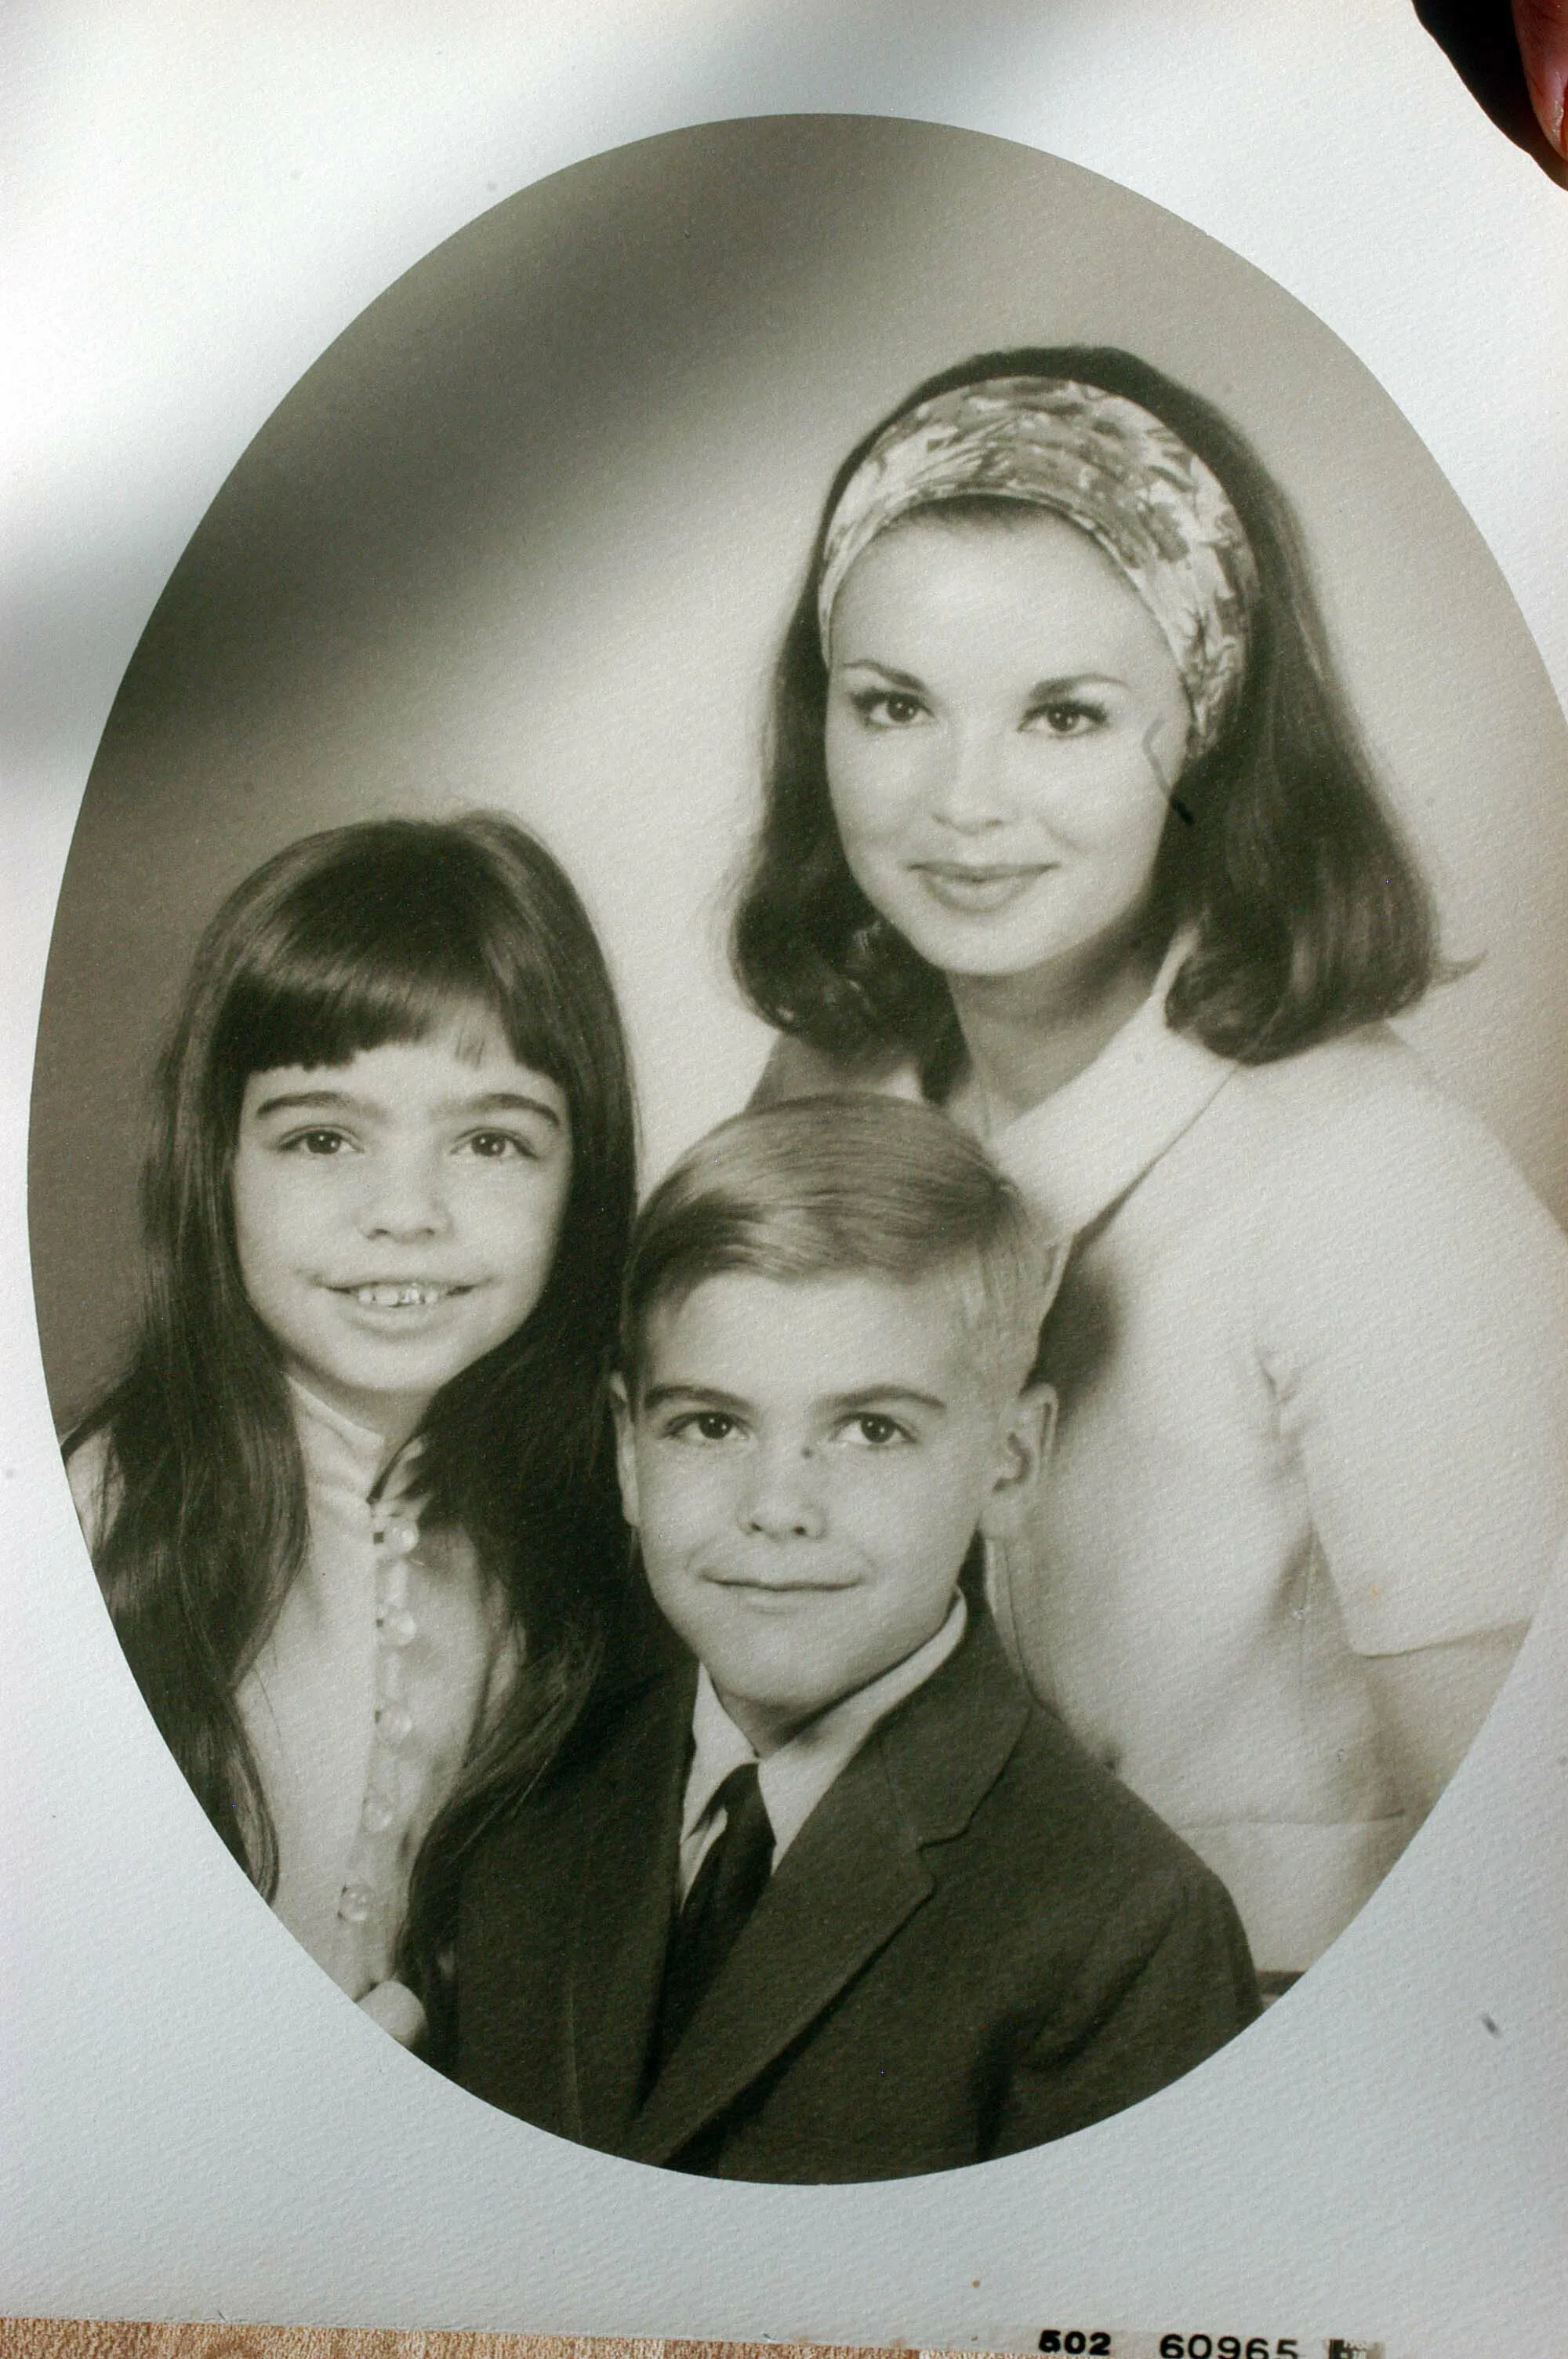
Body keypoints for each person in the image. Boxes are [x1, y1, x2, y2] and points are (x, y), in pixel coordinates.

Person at [732, 347, 1568, 1986]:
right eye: (894, 705)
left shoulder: (1382, 1191)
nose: (963, 806)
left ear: (1203, 733)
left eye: (1063, 715)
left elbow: (1532, 1899)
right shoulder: (830, 1105)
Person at [452, 1096, 1260, 2181]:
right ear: (629, 1453)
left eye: (872, 1431)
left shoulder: (1125, 1931)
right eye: (712, 1424)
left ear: (1010, 1464)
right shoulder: (529, 1809)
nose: (778, 1505)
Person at [64, 812, 637, 2046]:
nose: (407, 1214)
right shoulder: (88, 1529)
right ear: (212, 1161)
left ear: (580, 1174)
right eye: (325, 1138)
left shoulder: (574, 1540)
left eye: (490, 1142)